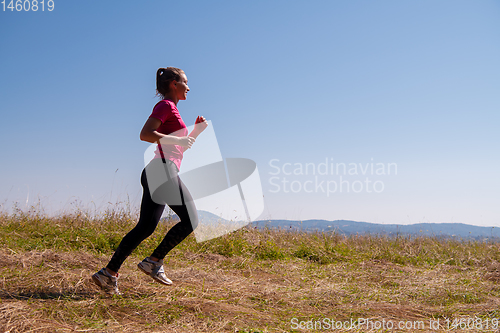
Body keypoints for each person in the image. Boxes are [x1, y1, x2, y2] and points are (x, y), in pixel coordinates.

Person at [91, 67, 208, 295]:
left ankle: (108, 273)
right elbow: (145, 134)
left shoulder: (172, 110)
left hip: (159, 171)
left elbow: (178, 145)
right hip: (162, 170)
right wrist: (180, 140)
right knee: (191, 219)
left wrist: (196, 132)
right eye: (185, 82)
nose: (188, 87)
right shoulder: (165, 106)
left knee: (145, 227)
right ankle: (154, 261)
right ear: (174, 83)